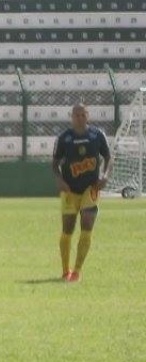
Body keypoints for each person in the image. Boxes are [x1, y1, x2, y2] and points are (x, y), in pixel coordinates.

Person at [51, 103, 112, 282]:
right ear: (71, 117)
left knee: (87, 225)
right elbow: (55, 163)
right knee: (68, 229)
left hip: (90, 188)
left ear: (88, 116)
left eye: (83, 114)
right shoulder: (64, 138)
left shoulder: (97, 135)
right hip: (70, 190)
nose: (80, 117)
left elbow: (108, 157)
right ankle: (65, 270)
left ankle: (77, 271)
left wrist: (105, 175)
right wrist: (60, 179)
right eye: (76, 115)